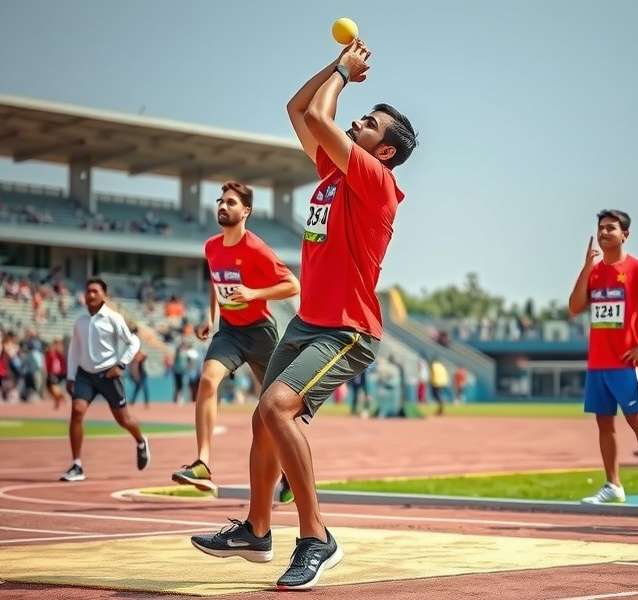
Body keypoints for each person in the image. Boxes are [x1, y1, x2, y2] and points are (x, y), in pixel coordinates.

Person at [191, 39, 417, 589]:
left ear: (382, 151)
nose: (358, 122)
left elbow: (319, 112)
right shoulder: (335, 173)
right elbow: (299, 109)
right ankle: (257, 530)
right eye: (360, 118)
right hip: (307, 321)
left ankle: (316, 537)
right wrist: (332, 69)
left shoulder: (376, 181)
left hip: (347, 327)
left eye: (370, 124)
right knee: (261, 423)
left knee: (275, 409)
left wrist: (343, 71)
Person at [171, 180, 300, 492]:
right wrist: (210, 317)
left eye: (231, 202)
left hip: (260, 333)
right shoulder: (211, 247)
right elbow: (217, 283)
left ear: (246, 211)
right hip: (229, 331)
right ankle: (202, 463)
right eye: (221, 201)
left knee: (274, 406)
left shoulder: (256, 249)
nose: (223, 206)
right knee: (206, 381)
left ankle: (291, 475)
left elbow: (293, 286)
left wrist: (254, 292)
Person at [568, 209, 638, 507]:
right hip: (597, 362)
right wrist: (586, 267)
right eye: (601, 228)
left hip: (626, 363)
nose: (604, 233)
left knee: (637, 420)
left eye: (611, 228)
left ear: (625, 234)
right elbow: (574, 307)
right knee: (604, 424)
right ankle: (613, 485)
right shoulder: (595, 271)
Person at [61, 278, 150, 482]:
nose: (90, 295)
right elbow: (74, 350)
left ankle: (140, 440)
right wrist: (71, 376)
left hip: (108, 375)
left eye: (94, 291)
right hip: (85, 375)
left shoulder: (113, 318)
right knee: (77, 411)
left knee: (123, 419)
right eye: (87, 291)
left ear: (104, 296)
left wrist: (121, 364)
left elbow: (133, 341)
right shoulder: (80, 322)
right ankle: (77, 465)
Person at [45, 338, 67, 410]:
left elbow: (62, 362)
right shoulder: (50, 352)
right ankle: (57, 400)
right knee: (49, 389)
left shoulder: (59, 353)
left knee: (54, 388)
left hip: (56, 373)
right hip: (50, 373)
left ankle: (63, 396)